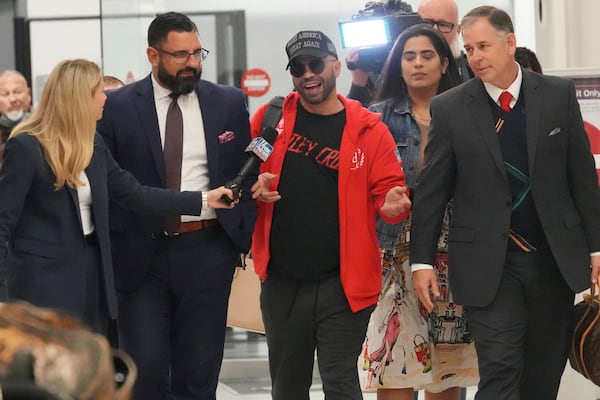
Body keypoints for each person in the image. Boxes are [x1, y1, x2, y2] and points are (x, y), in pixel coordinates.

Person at [410, 6, 600, 400]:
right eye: (468, 49)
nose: (476, 57)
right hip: (488, 263)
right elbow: (432, 191)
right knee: (500, 371)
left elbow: (582, 179)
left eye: (483, 46)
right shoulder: (450, 107)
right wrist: (422, 261)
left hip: (553, 258)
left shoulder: (556, 95)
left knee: (543, 376)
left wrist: (596, 247)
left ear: (509, 43)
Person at [0, 58, 237, 333]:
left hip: (92, 278)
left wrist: (204, 199)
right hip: (41, 286)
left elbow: (136, 194)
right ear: (79, 98)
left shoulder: (93, 144)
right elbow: (2, 223)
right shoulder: (26, 148)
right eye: (99, 92)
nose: (105, 99)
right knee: (48, 372)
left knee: (90, 368)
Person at [96, 11, 256, 400]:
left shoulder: (229, 102)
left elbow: (243, 171)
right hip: (139, 257)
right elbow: (111, 185)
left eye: (199, 53)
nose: (193, 63)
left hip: (206, 251)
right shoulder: (117, 107)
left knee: (198, 376)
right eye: (181, 55)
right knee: (145, 374)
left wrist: (238, 236)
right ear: (153, 55)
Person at [249, 30, 412, 400]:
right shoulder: (271, 116)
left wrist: (391, 206)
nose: (308, 74)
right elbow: (244, 172)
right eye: (298, 67)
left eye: (316, 64)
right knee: (287, 385)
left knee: (340, 382)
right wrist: (252, 188)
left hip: (344, 282)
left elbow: (390, 191)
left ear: (336, 66)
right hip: (281, 281)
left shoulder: (370, 129)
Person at [359, 24, 478, 400]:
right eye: (409, 57)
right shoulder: (374, 118)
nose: (418, 64)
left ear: (445, 63)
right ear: (398, 65)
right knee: (394, 366)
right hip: (392, 253)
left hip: (453, 250)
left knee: (445, 365)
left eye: (427, 56)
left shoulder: (469, 114)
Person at [347, 0, 472, 107]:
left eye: (443, 25)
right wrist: (358, 83)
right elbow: (356, 121)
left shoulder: (470, 69)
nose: (433, 30)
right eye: (426, 23)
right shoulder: (378, 66)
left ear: (457, 30)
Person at [0, 70, 32, 159]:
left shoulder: (44, 126)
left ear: (29, 94)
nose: (12, 99)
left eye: (18, 92)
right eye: (4, 94)